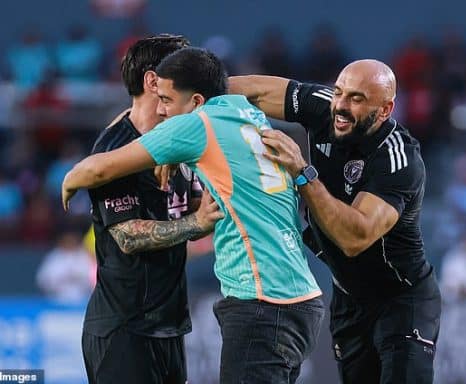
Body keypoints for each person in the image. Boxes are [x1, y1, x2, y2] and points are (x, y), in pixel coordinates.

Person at [62, 47, 325, 384]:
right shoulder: (246, 110)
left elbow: (100, 170)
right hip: (299, 299)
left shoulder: (197, 126)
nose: (162, 109)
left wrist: (70, 179)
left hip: (261, 301)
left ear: (198, 102)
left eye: (168, 100)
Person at [228, 60, 442, 384]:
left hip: (401, 298)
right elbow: (254, 91)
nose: (340, 106)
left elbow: (353, 239)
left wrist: (303, 173)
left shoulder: (399, 159)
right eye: (339, 92)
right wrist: (192, 91)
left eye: (356, 99)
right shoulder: (324, 107)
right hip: (349, 300)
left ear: (385, 110)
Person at [68, 35, 223, 384]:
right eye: (182, 70)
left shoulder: (179, 140)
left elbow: (190, 203)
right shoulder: (115, 150)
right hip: (124, 329)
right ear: (153, 81)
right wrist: (196, 223)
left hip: (168, 327)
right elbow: (127, 236)